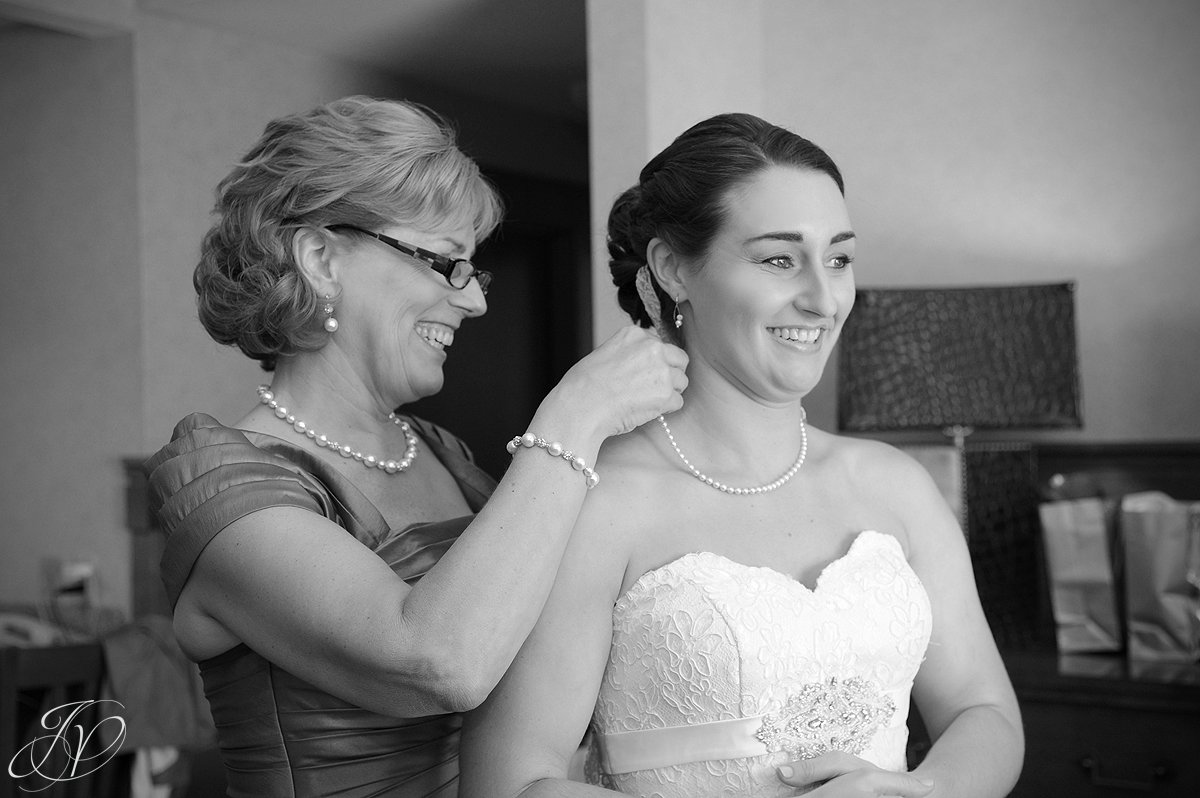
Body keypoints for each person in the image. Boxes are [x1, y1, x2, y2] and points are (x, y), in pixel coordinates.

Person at [459, 113, 1024, 797]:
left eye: (839, 258)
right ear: (672, 270)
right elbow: (507, 783)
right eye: (779, 260)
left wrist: (927, 792)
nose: (822, 298)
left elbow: (982, 710)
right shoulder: (596, 501)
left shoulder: (895, 486)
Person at [143, 95, 687, 797]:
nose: (475, 300)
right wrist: (574, 416)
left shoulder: (443, 455)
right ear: (319, 258)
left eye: (474, 270)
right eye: (446, 262)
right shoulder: (220, 484)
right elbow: (440, 664)